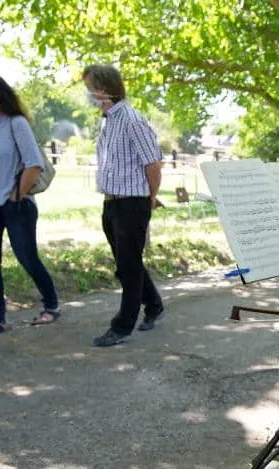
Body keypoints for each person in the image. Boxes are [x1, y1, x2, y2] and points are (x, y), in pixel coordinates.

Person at [0, 72, 60, 338]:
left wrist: (17, 195)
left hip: (14, 204)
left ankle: (51, 305)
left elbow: (34, 163)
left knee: (27, 257)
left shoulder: (15, 123)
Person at [82, 64, 165, 347]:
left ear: (104, 89)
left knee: (128, 268)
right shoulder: (107, 121)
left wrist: (150, 198)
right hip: (112, 203)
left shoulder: (132, 120)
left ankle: (122, 327)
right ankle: (154, 305)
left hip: (132, 203)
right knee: (126, 263)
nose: (87, 93)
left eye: (89, 86)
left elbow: (153, 165)